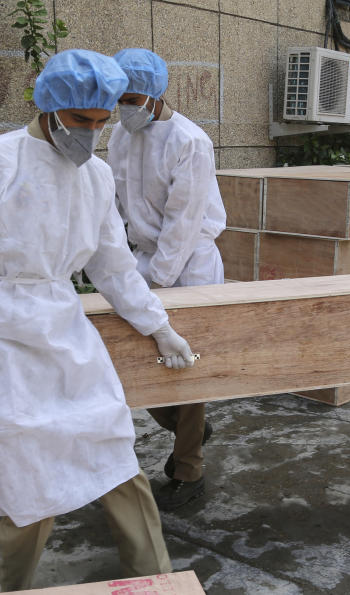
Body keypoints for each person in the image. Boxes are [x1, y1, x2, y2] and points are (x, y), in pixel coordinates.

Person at [0, 49, 197, 591]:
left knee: (113, 447)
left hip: (63, 328)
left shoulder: (94, 176)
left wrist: (157, 324)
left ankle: (156, 582)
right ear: (49, 107)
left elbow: (112, 263)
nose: (90, 134)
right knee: (26, 478)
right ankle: (18, 586)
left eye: (101, 123)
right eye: (80, 120)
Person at [108, 48, 226, 511]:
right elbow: (120, 205)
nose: (125, 106)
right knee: (140, 358)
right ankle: (186, 428)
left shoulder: (189, 141)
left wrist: (152, 288)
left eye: (132, 97)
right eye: (120, 98)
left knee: (184, 368)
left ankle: (188, 471)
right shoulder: (121, 134)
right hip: (143, 257)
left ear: (156, 94)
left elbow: (182, 224)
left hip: (189, 262)